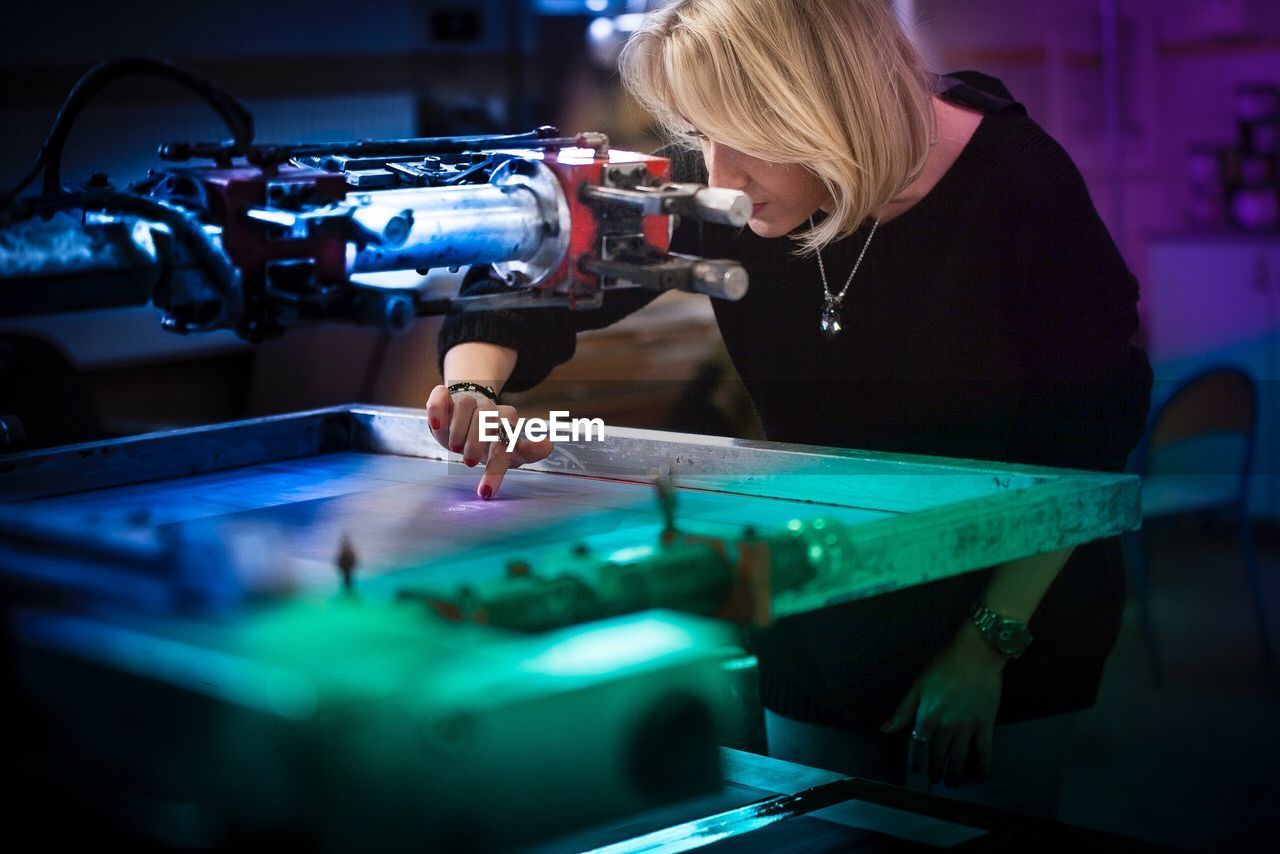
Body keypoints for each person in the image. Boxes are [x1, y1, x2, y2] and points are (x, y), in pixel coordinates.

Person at [426, 0, 1152, 818]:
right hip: (826, 588)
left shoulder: (1020, 186)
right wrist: (477, 391)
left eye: (745, 139)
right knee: (824, 830)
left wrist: (984, 648)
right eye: (700, 135)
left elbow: (1088, 443)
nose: (719, 176)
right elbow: (530, 279)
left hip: (1014, 598)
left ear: (830, 106)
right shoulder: (718, 181)